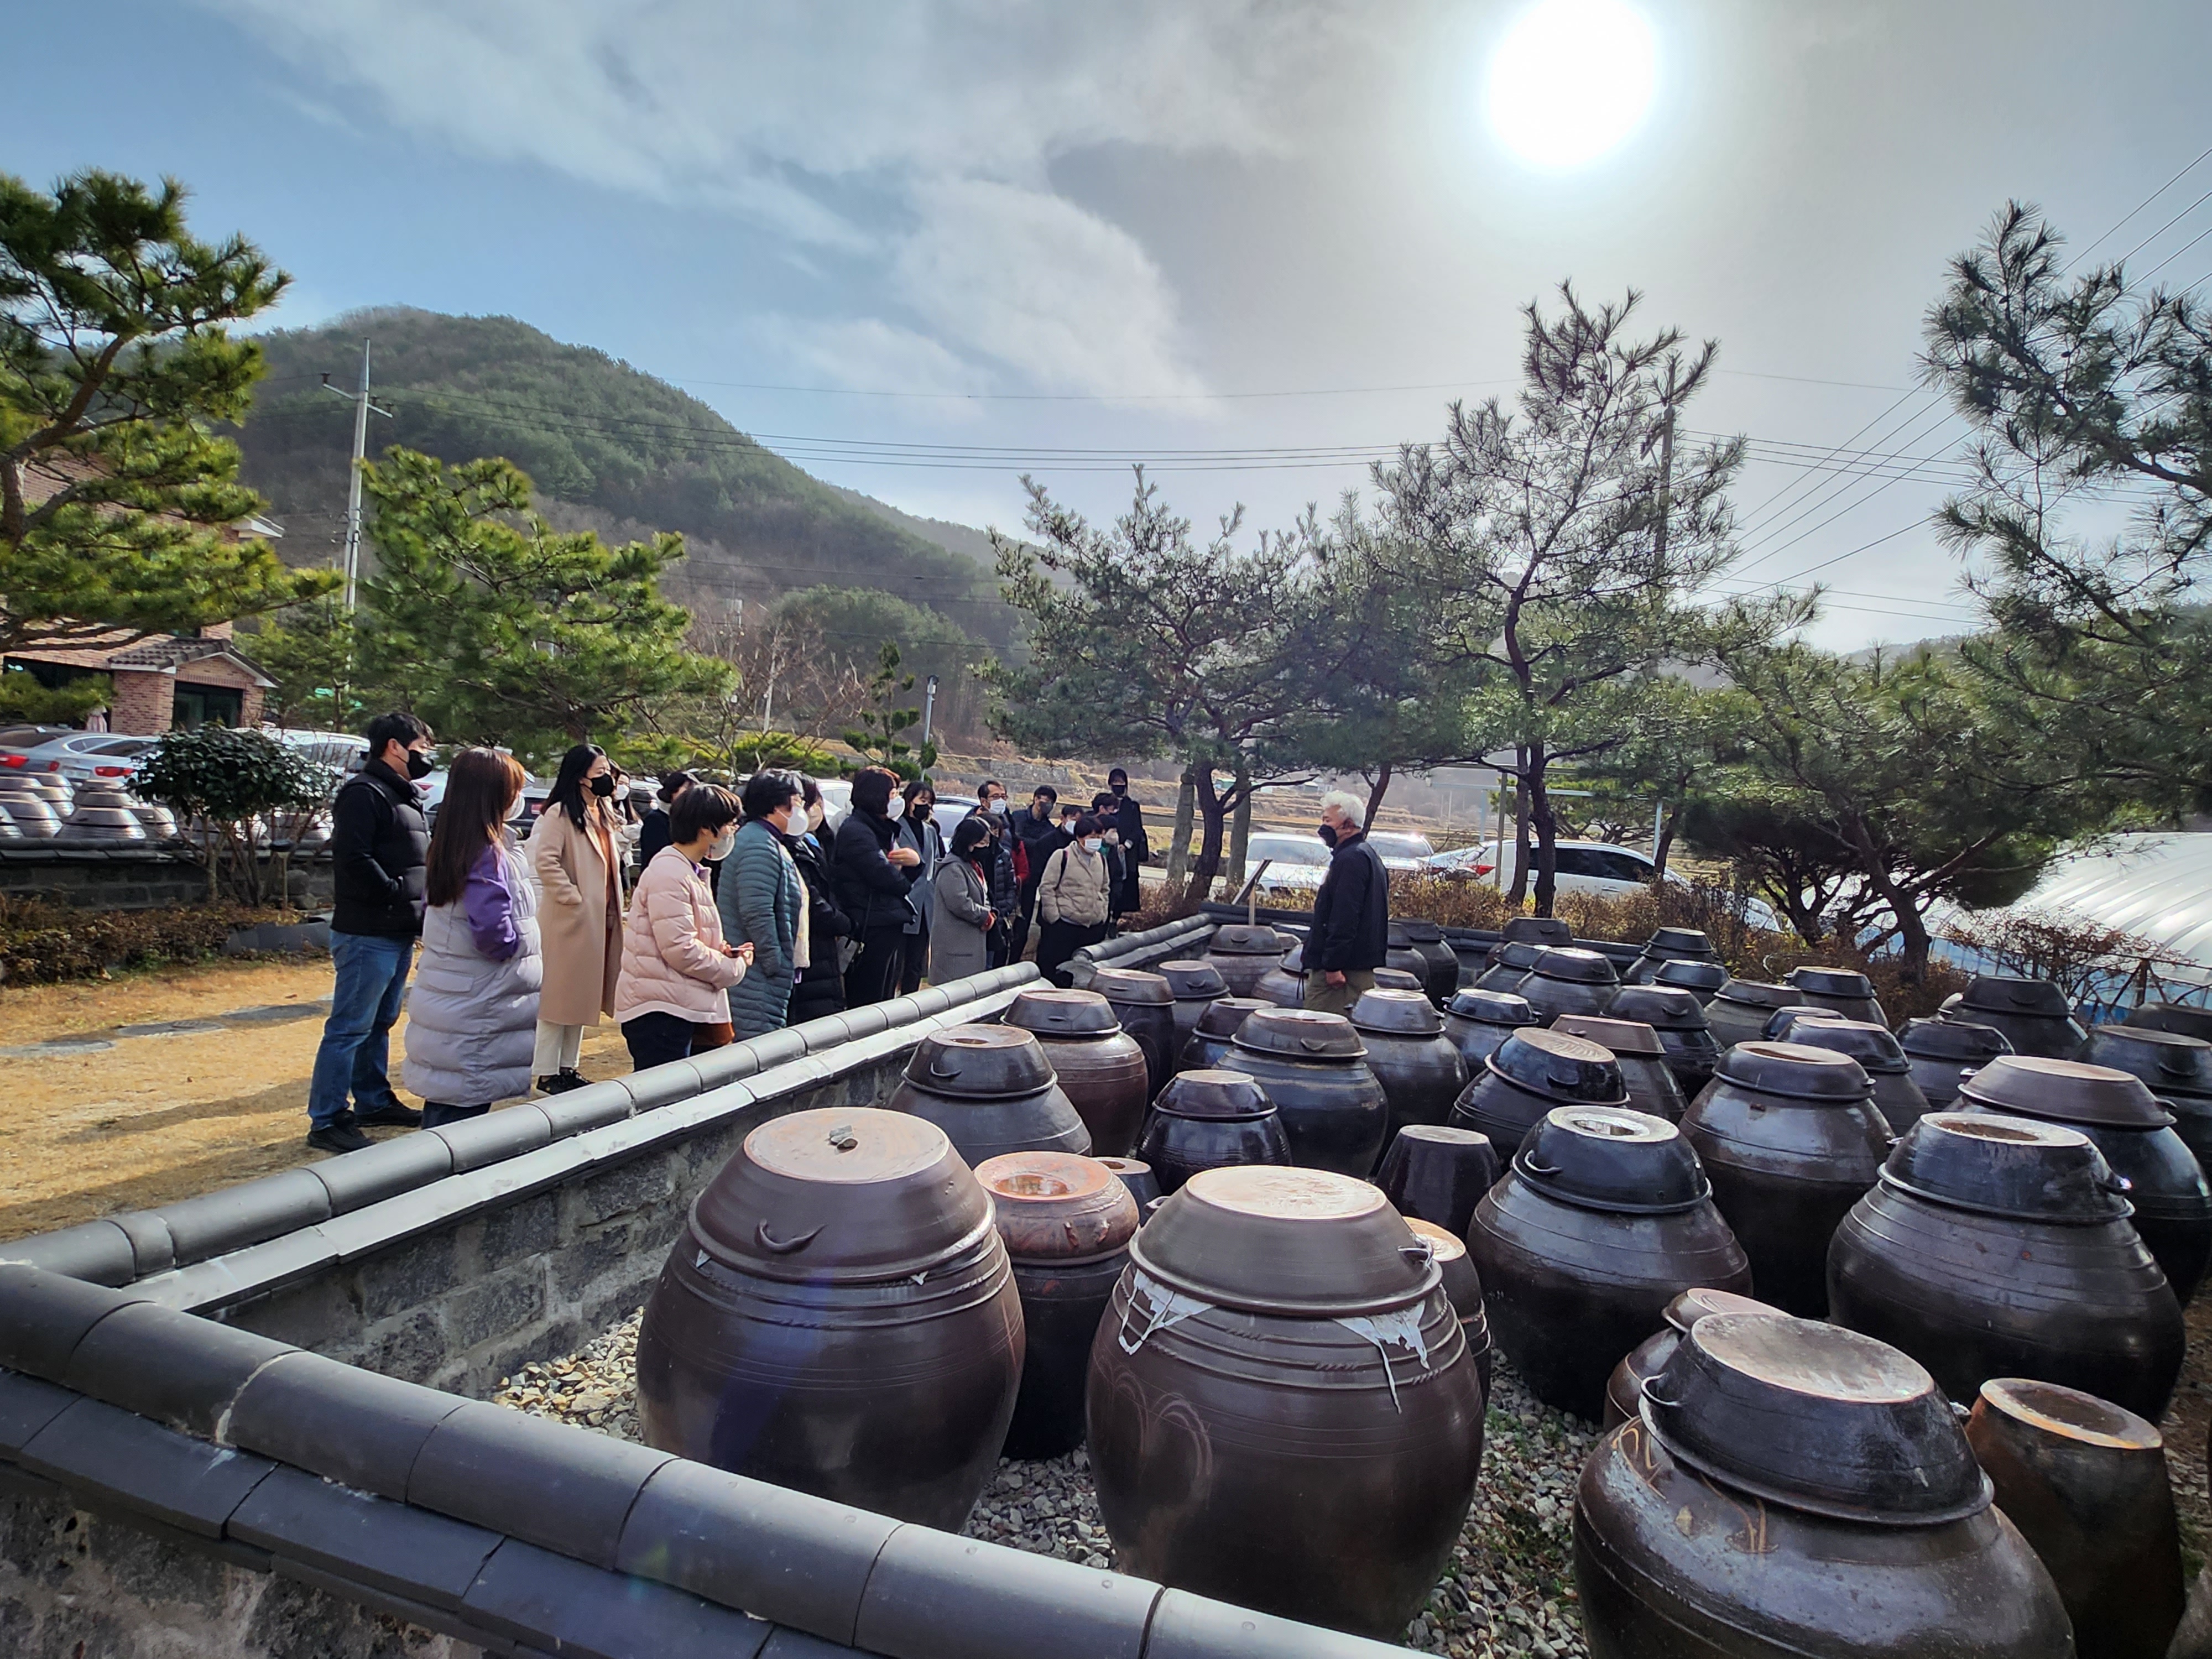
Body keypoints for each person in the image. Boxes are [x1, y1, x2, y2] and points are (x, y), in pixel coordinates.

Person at [307, 711, 435, 1152]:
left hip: (397, 928)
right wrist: (395, 891)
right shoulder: (363, 793)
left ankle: (373, 1100)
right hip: (367, 930)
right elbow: (354, 857)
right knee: (349, 1027)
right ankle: (326, 1118)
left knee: (380, 1022)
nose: (426, 757)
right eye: (420, 748)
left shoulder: (402, 794)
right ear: (395, 746)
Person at [403, 748, 540, 1128]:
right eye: (514, 790)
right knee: (457, 1120)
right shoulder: (487, 853)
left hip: (455, 996)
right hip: (479, 999)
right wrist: (518, 950)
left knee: (446, 1107)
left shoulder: (453, 843)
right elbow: (493, 931)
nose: (519, 799)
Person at [614, 783, 754, 1072]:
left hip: (675, 1004)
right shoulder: (670, 873)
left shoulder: (688, 870)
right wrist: (732, 969)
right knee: (662, 1105)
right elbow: (681, 948)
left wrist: (724, 953)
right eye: (728, 824)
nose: (732, 831)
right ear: (706, 828)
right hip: (660, 1011)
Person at [528, 744, 627, 1093]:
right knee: (559, 1000)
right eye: (599, 773)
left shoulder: (603, 812)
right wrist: (574, 898)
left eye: (608, 772)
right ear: (580, 776)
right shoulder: (560, 814)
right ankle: (546, 1070)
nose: (607, 779)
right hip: (570, 921)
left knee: (582, 998)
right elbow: (546, 860)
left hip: (600, 920)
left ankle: (568, 1066)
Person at [719, 770, 806, 1039]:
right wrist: (775, 963)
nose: (801, 807)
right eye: (797, 800)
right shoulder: (759, 845)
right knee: (755, 1049)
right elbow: (756, 911)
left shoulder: (764, 840)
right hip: (756, 975)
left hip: (758, 971)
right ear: (778, 805)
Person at [834, 765, 922, 1006]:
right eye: (893, 794)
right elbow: (885, 877)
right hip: (869, 924)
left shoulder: (878, 829)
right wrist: (913, 867)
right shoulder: (857, 831)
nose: (898, 800)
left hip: (883, 921)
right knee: (868, 999)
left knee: (884, 997)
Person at [1304, 790, 1390, 1016]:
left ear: (1348, 825)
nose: (1323, 827)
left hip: (1343, 974)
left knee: (1320, 1034)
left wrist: (1333, 966)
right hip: (1356, 966)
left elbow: (1344, 916)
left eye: (1328, 821)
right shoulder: (1367, 855)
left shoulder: (1351, 859)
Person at [785, 777, 851, 1026]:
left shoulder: (815, 841)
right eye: (801, 803)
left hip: (822, 946)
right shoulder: (788, 847)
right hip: (809, 942)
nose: (815, 809)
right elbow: (810, 899)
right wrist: (841, 922)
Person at [1035, 812, 1114, 986]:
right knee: (1056, 974)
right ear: (1079, 837)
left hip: (1091, 927)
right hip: (1065, 926)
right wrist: (1054, 917)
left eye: (1099, 836)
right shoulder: (1062, 856)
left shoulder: (1100, 859)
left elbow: (1105, 888)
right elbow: (1047, 887)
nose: (1097, 840)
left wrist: (1102, 913)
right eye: (1092, 837)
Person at [931, 816, 998, 984]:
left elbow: (984, 895)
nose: (987, 847)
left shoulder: (974, 866)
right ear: (969, 843)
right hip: (955, 947)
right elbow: (960, 903)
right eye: (982, 843)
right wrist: (985, 916)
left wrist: (989, 912)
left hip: (973, 944)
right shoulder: (953, 869)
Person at [896, 778, 945, 995]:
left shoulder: (931, 831)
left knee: (915, 963)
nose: (926, 806)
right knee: (897, 961)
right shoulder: (896, 826)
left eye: (930, 802)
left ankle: (909, 1000)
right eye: (922, 800)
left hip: (926, 905)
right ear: (909, 800)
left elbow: (935, 864)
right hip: (903, 900)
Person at [965, 781, 1019, 967]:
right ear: (983, 801)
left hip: (999, 909)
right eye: (995, 797)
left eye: (1003, 797)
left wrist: (1006, 907)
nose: (1001, 801)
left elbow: (1011, 882)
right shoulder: (970, 828)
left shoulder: (1008, 822)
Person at [1009, 784, 1061, 960]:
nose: (1044, 804)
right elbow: (1014, 839)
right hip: (1009, 875)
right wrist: (1036, 845)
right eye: (1042, 800)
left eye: (1049, 802)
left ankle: (1015, 961)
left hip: (1030, 881)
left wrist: (1028, 844)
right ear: (1035, 799)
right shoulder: (1017, 817)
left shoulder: (1049, 829)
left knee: (1023, 924)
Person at [1105, 767, 1151, 921]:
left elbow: (1137, 830)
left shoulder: (1132, 806)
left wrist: (1126, 845)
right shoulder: (1103, 803)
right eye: (1115, 782)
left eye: (1121, 782)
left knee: (1123, 888)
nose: (1119, 785)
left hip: (1126, 852)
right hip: (1105, 849)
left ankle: (1114, 920)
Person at [638, 770, 695, 866]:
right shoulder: (655, 820)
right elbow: (656, 855)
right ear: (673, 790)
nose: (690, 794)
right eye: (686, 788)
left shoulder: (688, 820)